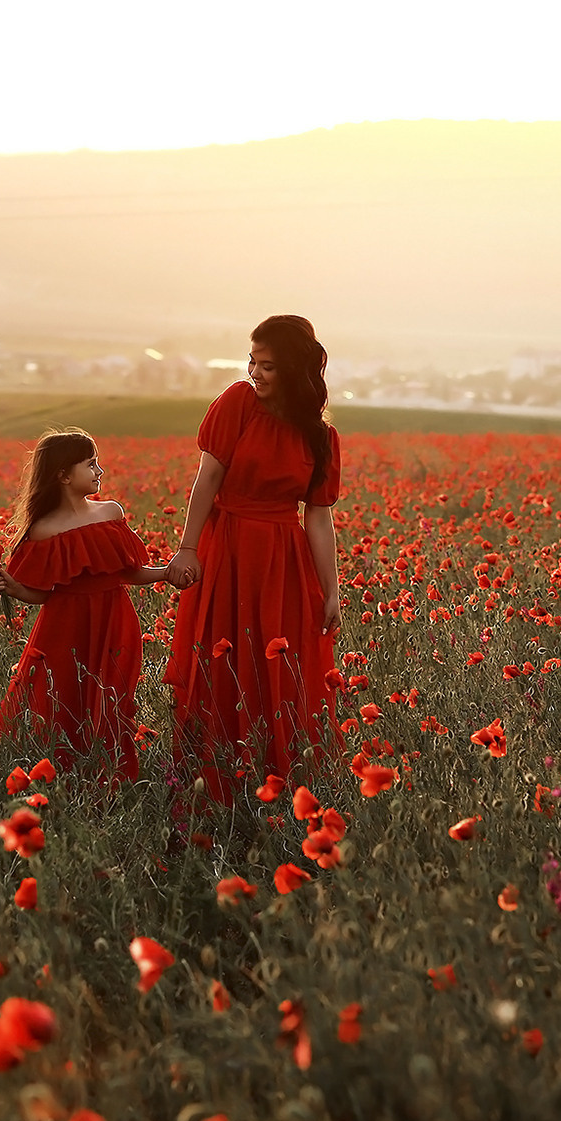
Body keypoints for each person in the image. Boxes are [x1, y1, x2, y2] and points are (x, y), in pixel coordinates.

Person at [163, 315, 342, 802]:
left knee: (278, 669)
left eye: (267, 366)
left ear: (296, 371)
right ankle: (213, 783)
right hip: (229, 551)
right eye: (252, 362)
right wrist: (188, 547)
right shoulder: (237, 403)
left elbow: (319, 519)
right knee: (223, 662)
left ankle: (276, 785)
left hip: (284, 562)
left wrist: (331, 589)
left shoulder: (321, 438)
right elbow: (208, 480)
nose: (254, 373)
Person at [0, 429, 171, 781]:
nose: (99, 471)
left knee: (112, 701)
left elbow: (130, 573)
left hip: (113, 623)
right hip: (62, 630)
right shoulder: (43, 530)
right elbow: (46, 595)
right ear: (62, 475)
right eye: (90, 464)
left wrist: (167, 572)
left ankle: (114, 780)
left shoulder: (109, 513)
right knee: (65, 702)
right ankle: (65, 780)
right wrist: (14, 588)